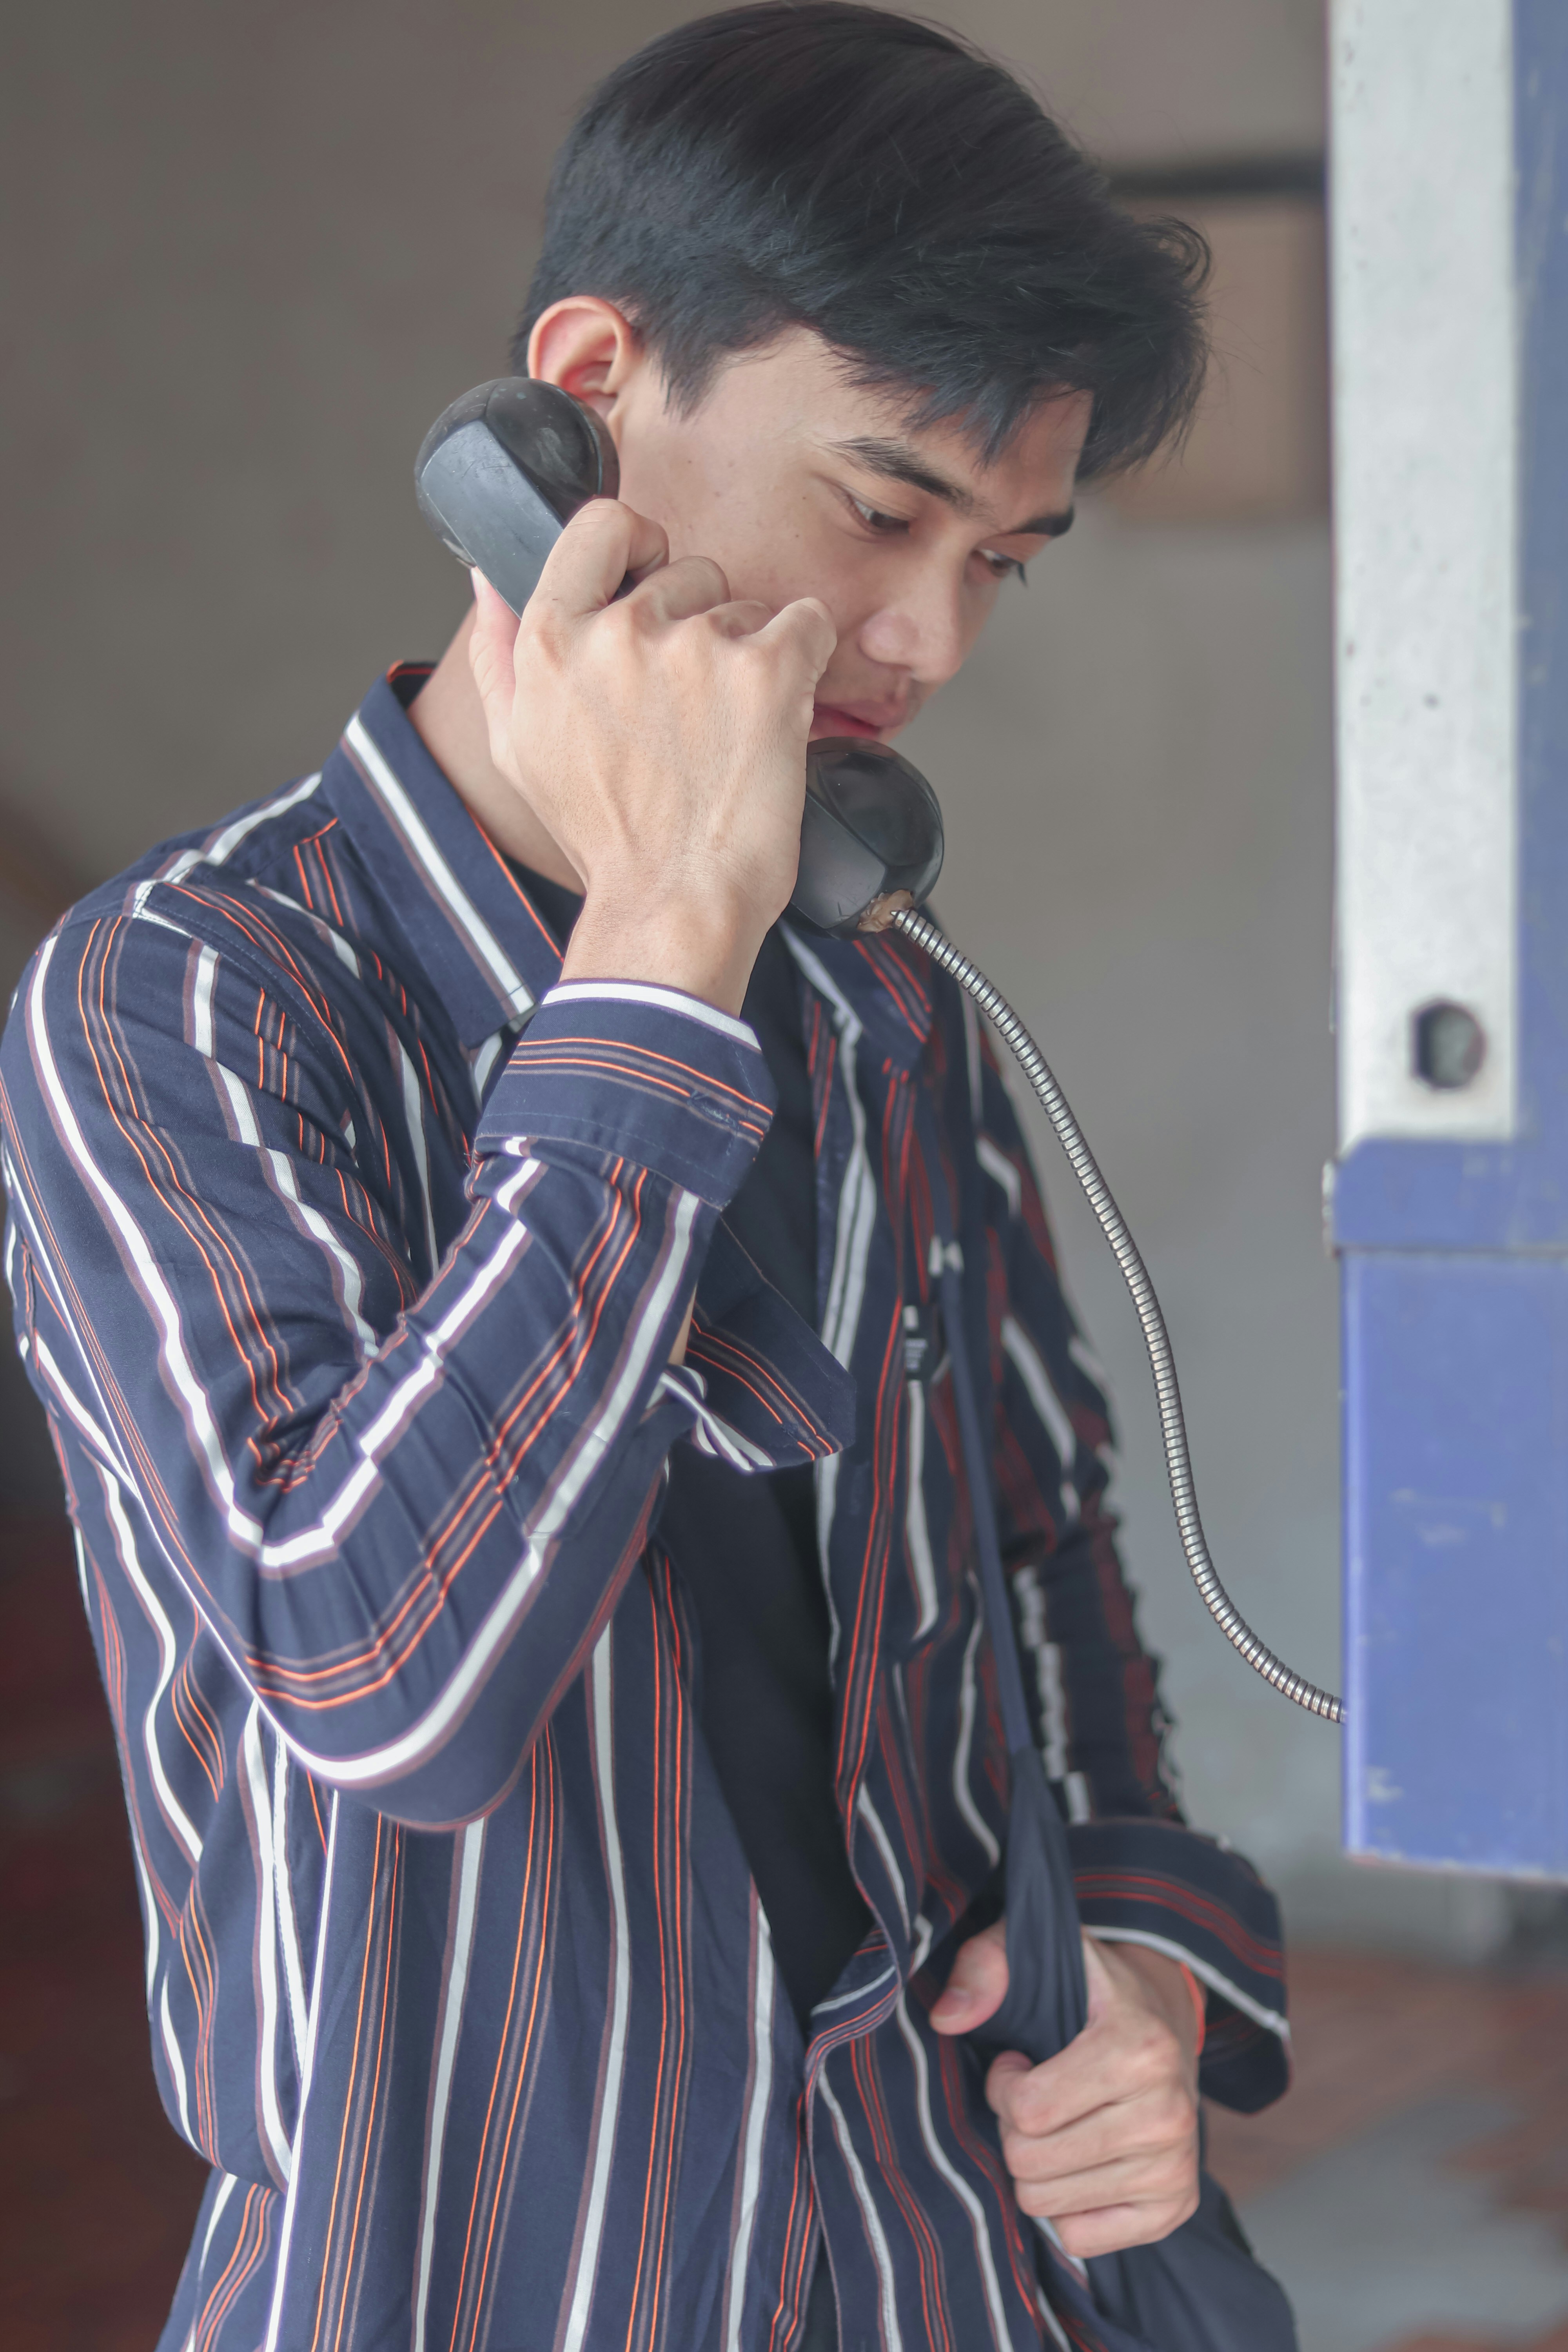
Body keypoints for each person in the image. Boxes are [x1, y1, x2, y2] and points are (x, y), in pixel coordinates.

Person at [0, 8, 1290, 2347]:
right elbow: (383, 1682)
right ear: (579, 392)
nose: (925, 643)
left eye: (1004, 561)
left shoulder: (886, 1008)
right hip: (489, 2267)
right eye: (882, 511)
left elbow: (1041, 1543)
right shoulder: (179, 1004)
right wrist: (662, 968)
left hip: (942, 2254)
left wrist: (1144, 1964)